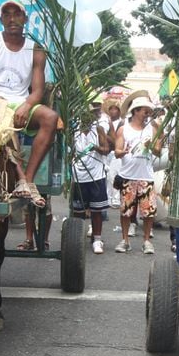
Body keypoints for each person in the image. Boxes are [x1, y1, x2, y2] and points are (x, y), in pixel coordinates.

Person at [0, 0, 58, 207]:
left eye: (17, 14)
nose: (12, 19)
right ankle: (20, 179)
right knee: (6, 116)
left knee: (51, 117)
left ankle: (28, 180)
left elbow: (38, 90)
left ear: (25, 19)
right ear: (1, 19)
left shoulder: (36, 50)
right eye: (7, 14)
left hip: (21, 104)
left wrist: (27, 105)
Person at [113, 96, 159, 254]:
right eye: (145, 111)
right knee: (126, 211)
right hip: (128, 176)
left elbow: (158, 151)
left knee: (148, 212)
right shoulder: (123, 129)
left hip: (146, 176)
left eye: (149, 112)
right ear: (136, 111)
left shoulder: (152, 128)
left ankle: (146, 241)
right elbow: (116, 151)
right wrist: (123, 151)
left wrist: (151, 146)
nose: (147, 114)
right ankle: (125, 240)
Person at [71, 99, 111, 253]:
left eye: (91, 115)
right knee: (78, 211)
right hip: (79, 174)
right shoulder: (74, 131)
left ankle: (97, 239)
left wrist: (95, 147)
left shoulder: (98, 129)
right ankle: (77, 237)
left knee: (96, 210)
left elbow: (106, 149)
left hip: (96, 175)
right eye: (85, 115)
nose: (89, 118)